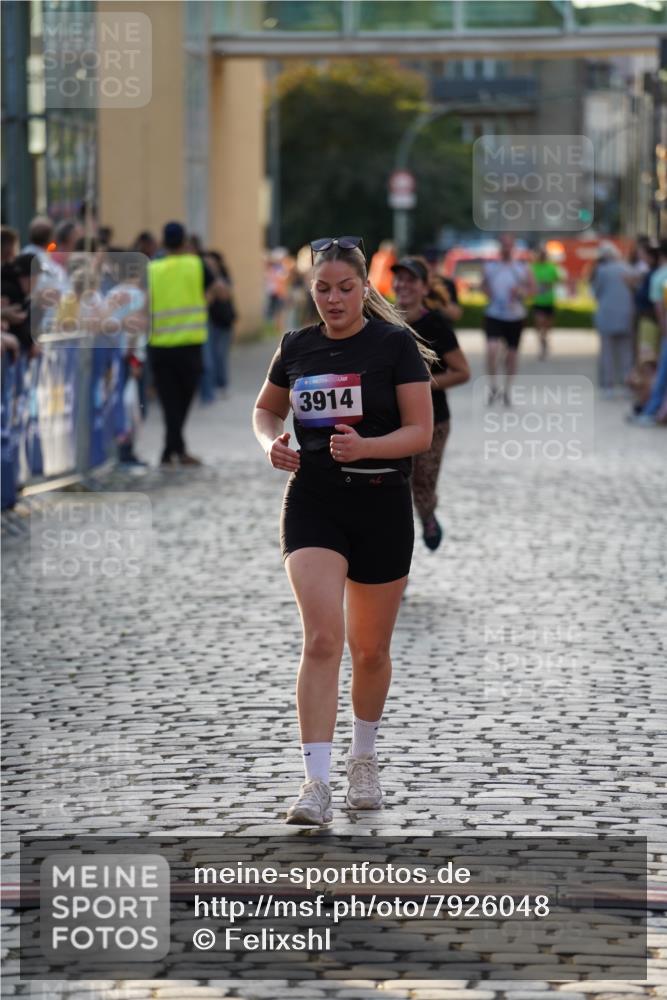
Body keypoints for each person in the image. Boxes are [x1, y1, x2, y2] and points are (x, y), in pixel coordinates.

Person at [252, 235, 434, 826]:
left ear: (364, 289)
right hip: (313, 502)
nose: (334, 300)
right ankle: (315, 781)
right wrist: (270, 443)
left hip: (382, 501)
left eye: (345, 289)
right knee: (323, 639)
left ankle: (364, 757)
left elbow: (420, 433)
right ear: (311, 290)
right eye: (323, 289)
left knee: (371, 649)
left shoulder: (394, 344)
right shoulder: (296, 345)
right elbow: (264, 410)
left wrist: (366, 447)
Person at [392, 255, 470, 551]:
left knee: (422, 483)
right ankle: (395, 563)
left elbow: (462, 371)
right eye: (399, 278)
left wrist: (420, 386)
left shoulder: (435, 324)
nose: (403, 285)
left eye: (411, 279)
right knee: (393, 488)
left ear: (425, 288)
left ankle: (427, 515)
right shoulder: (381, 320)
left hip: (433, 419)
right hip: (390, 421)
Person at [147, 221, 221, 467]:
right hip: (190, 347)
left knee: (170, 403)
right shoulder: (196, 265)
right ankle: (175, 451)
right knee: (183, 401)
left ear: (163, 242)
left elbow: (144, 302)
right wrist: (205, 300)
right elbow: (221, 290)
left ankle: (171, 451)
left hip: (160, 346)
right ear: (185, 241)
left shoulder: (152, 269)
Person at [481, 234, 535, 405]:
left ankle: (507, 389)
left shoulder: (522, 268)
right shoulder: (491, 267)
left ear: (514, 248)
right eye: (503, 245)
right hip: (494, 314)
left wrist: (521, 292)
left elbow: (532, 288)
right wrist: (487, 291)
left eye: (509, 246)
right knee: (492, 349)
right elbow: (483, 285)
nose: (506, 249)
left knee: (511, 355)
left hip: (515, 316)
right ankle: (493, 386)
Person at [590, 242, 635, 396]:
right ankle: (627, 385)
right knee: (626, 353)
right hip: (626, 315)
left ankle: (608, 386)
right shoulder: (628, 268)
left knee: (607, 353)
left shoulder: (602, 271)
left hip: (607, 316)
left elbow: (595, 292)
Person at [531, 245, 561, 360]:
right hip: (538, 301)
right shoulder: (533, 267)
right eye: (541, 254)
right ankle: (542, 343)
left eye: (545, 254)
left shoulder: (552, 267)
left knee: (547, 326)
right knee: (539, 324)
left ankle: (545, 339)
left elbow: (558, 280)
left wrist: (549, 284)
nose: (543, 256)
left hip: (549, 300)